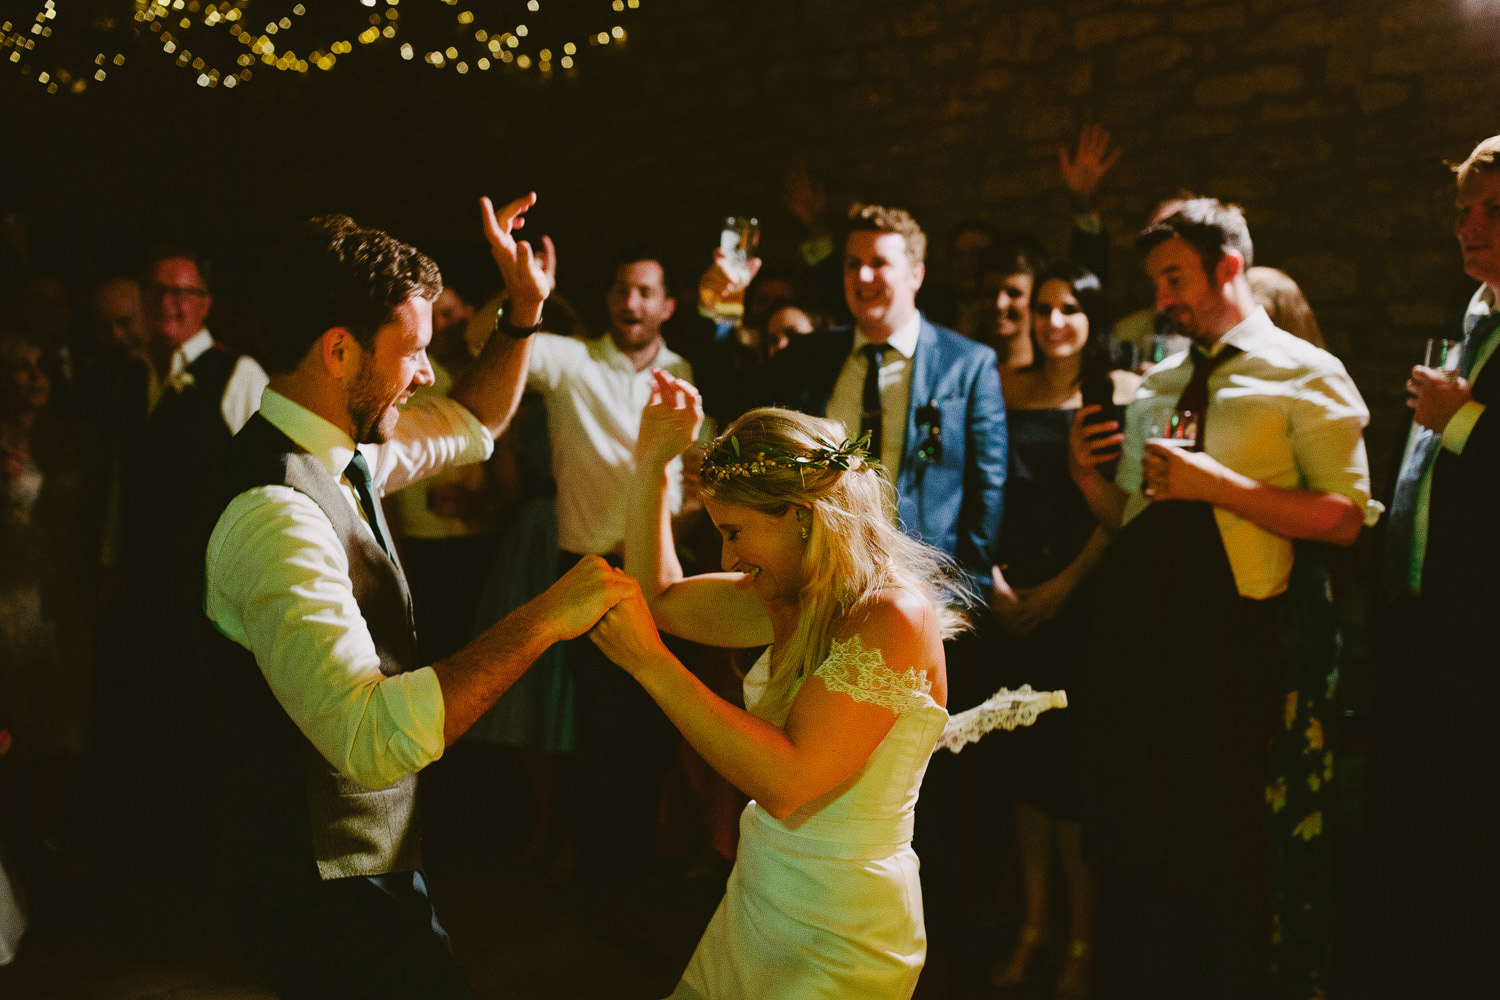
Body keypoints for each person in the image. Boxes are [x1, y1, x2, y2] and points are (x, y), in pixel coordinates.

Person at [202, 196, 634, 999]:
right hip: (320, 892)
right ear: (339, 350)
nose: (429, 373)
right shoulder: (277, 514)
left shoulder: (343, 452)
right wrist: (543, 618)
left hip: (364, 872)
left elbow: (473, 420)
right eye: (415, 351)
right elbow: (367, 737)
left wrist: (523, 314)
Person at [1068, 197, 1378, 997]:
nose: (1162, 298)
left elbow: (1347, 519)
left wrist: (1221, 487)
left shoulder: (1304, 371)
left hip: (1242, 639)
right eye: (1156, 281)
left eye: (1175, 278)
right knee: (1150, 839)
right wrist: (1088, 480)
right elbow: (1134, 518)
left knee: (1226, 846)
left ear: (1229, 267)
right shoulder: (1161, 381)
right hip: (1152, 637)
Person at [591, 370, 963, 997]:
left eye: (734, 533)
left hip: (844, 922)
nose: (728, 559)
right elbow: (658, 598)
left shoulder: (893, 617)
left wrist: (651, 665)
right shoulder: (791, 597)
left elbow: (789, 783)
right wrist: (652, 462)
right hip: (763, 891)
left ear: (800, 516)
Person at [987, 262, 1137, 997]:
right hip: (1009, 594)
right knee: (1023, 774)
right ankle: (1032, 926)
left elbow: (1124, 512)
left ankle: (1081, 943)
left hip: (1084, 597)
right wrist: (993, 579)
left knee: (1074, 782)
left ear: (1093, 316)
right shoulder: (1003, 386)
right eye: (1043, 308)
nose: (1052, 322)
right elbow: (983, 487)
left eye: (1069, 308)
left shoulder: (1119, 393)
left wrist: (1063, 588)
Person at [1374, 134, 1500, 996]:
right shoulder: (1469, 320)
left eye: (1493, 210)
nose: (1470, 226)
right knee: (1427, 835)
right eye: (1463, 210)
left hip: (1485, 632)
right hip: (1429, 627)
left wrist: (1463, 421)